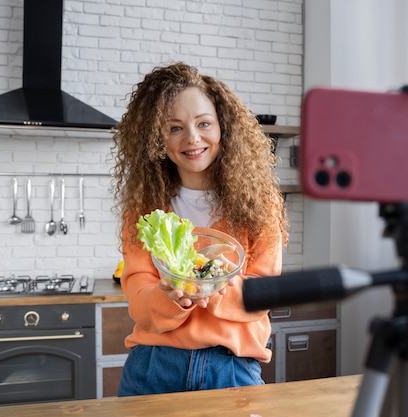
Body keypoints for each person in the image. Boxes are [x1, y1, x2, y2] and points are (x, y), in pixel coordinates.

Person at [111, 62, 289, 396]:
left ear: (224, 127)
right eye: (174, 127)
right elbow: (139, 298)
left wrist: (212, 284)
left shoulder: (260, 204)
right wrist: (170, 296)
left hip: (231, 368)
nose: (192, 139)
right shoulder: (144, 207)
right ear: (155, 137)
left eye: (203, 123)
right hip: (154, 366)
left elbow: (265, 293)